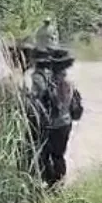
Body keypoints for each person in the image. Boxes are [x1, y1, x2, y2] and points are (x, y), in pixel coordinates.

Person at [39, 49, 80, 187]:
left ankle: (56, 183)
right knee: (58, 155)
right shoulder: (68, 82)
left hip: (56, 124)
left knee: (54, 155)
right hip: (65, 122)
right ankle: (57, 182)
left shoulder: (58, 83)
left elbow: (58, 103)